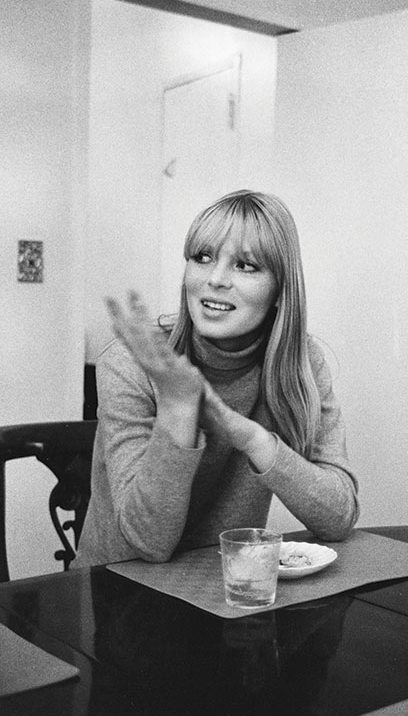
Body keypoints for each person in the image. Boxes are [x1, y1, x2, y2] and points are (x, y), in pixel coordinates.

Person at [75, 189, 359, 567]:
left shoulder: (303, 363)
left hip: (229, 586)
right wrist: (178, 408)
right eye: (203, 258)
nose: (216, 279)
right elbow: (149, 543)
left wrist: (252, 438)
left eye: (245, 265)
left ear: (279, 290)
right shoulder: (130, 363)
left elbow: (339, 516)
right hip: (120, 592)